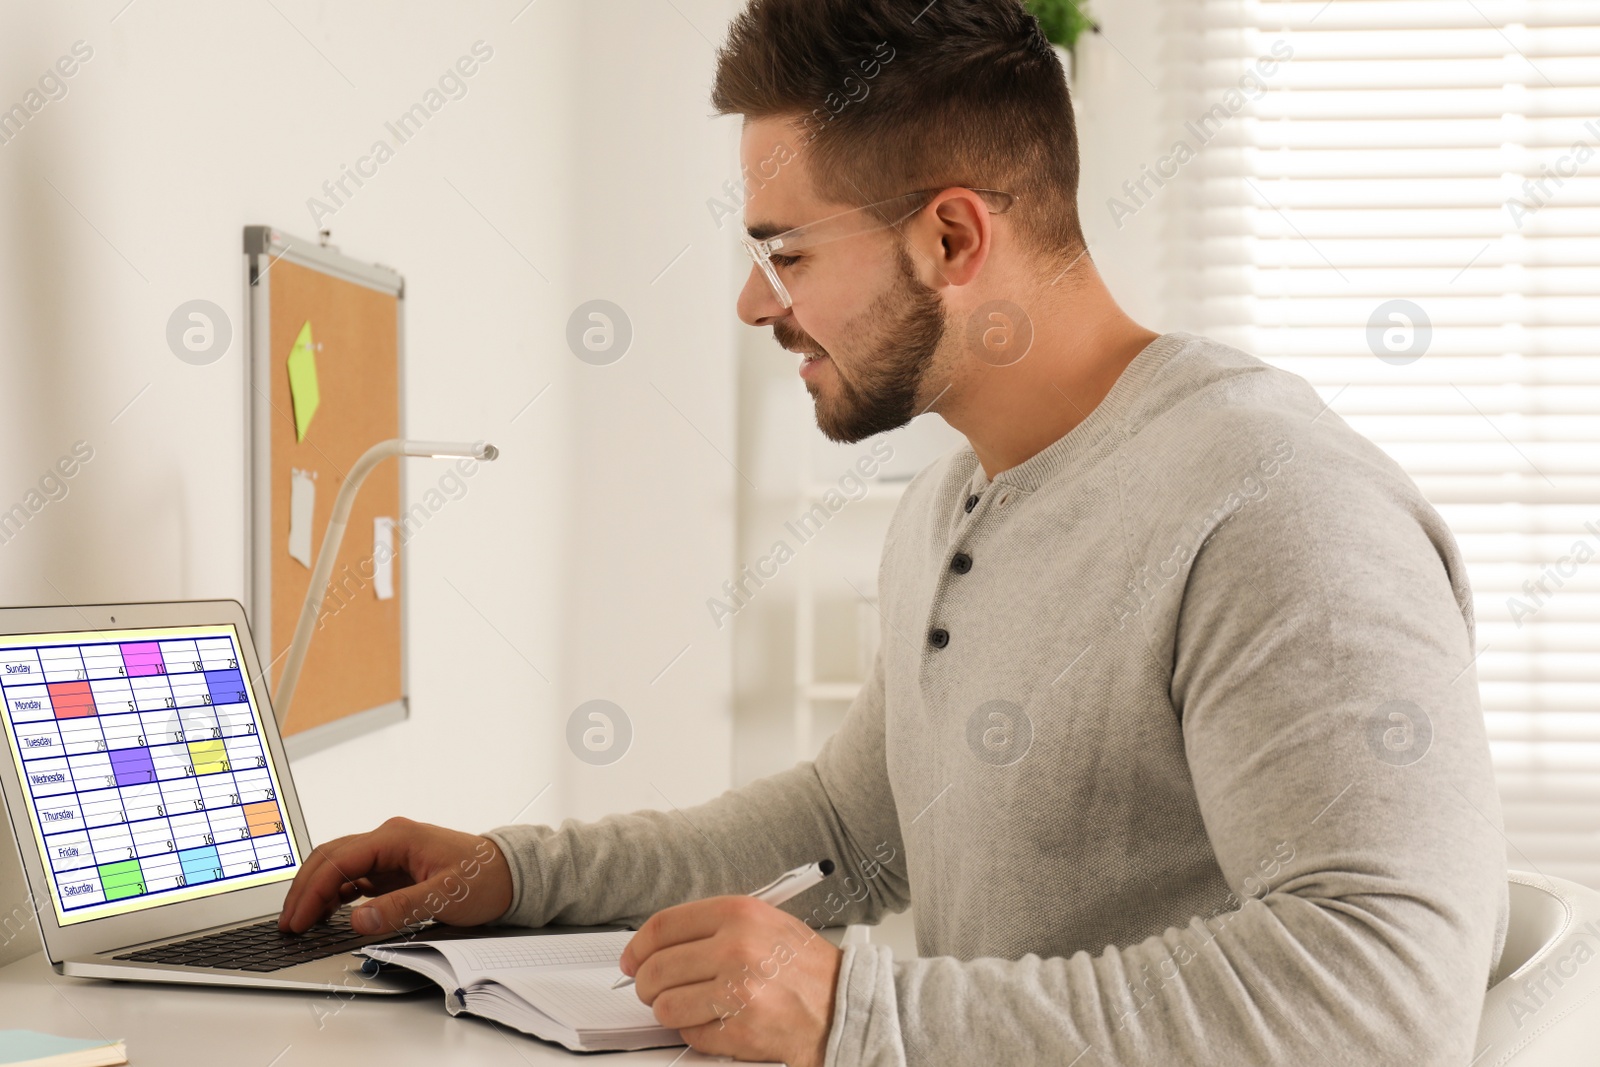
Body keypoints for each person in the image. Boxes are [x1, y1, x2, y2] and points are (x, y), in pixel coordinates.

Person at [278, 2, 1509, 1063]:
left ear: (952, 237)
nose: (756, 301)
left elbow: (1384, 994)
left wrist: (860, 1017)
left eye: (788, 250)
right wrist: (509, 874)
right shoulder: (954, 503)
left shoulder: (1274, 505)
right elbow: (850, 834)